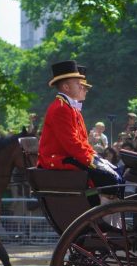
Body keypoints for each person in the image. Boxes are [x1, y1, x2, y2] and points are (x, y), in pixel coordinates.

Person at [37, 60, 121, 200]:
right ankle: (99, 211)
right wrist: (92, 161)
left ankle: (104, 211)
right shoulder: (61, 108)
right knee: (109, 178)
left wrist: (96, 158)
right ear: (66, 87)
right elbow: (72, 144)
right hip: (58, 159)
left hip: (69, 156)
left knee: (114, 174)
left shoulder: (68, 108)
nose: (82, 86)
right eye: (77, 83)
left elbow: (81, 142)